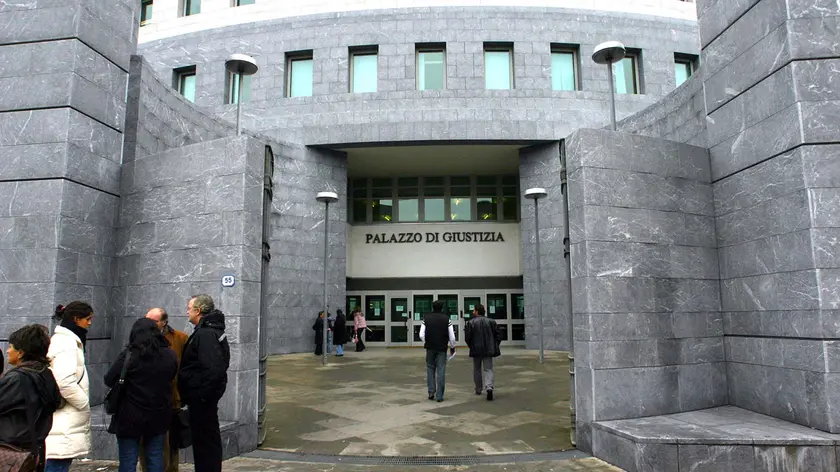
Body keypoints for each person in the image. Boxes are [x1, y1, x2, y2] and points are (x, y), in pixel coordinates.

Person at [105, 318, 178, 472]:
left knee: (128, 459)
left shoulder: (129, 355)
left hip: (129, 416)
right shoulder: (169, 355)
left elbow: (109, 379)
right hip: (159, 414)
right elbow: (171, 377)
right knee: (155, 456)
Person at [0, 324, 62, 472]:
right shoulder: (46, 374)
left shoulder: (17, 379)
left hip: (10, 453)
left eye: (10, 347)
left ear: (20, 352)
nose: (7, 351)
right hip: (34, 452)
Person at [178, 294, 230, 472]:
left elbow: (213, 369)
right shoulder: (208, 331)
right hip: (201, 397)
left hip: (202, 399)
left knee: (205, 442)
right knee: (205, 441)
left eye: (189, 308)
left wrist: (201, 396)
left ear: (198, 311)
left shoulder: (206, 334)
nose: (187, 311)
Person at [46, 302, 93, 472]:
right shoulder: (67, 344)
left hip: (66, 417)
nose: (89, 323)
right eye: (87, 319)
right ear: (76, 319)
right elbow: (64, 381)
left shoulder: (67, 341)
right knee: (57, 461)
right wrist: (83, 403)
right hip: (65, 418)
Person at [141, 308, 189, 472]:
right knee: (147, 444)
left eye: (154, 321)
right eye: (147, 319)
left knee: (170, 444)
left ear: (164, 322)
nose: (149, 324)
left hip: (171, 400)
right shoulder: (139, 338)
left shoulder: (180, 338)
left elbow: (185, 368)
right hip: (146, 401)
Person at [419, 300, 456, 402]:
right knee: (441, 370)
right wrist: (452, 347)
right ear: (442, 308)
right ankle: (439, 396)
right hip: (442, 348)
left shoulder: (426, 319)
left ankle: (431, 392)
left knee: (430, 369)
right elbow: (452, 337)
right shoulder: (446, 319)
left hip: (430, 348)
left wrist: (427, 341)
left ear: (432, 307)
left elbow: (421, 334)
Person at [465, 304, 502, 401]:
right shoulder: (491, 322)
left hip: (476, 349)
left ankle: (478, 389)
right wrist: (494, 344)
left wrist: (471, 345)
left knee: (476, 369)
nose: (473, 312)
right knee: (488, 369)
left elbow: (467, 337)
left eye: (474, 310)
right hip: (488, 349)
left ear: (477, 311)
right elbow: (498, 335)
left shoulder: (471, 322)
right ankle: (489, 387)